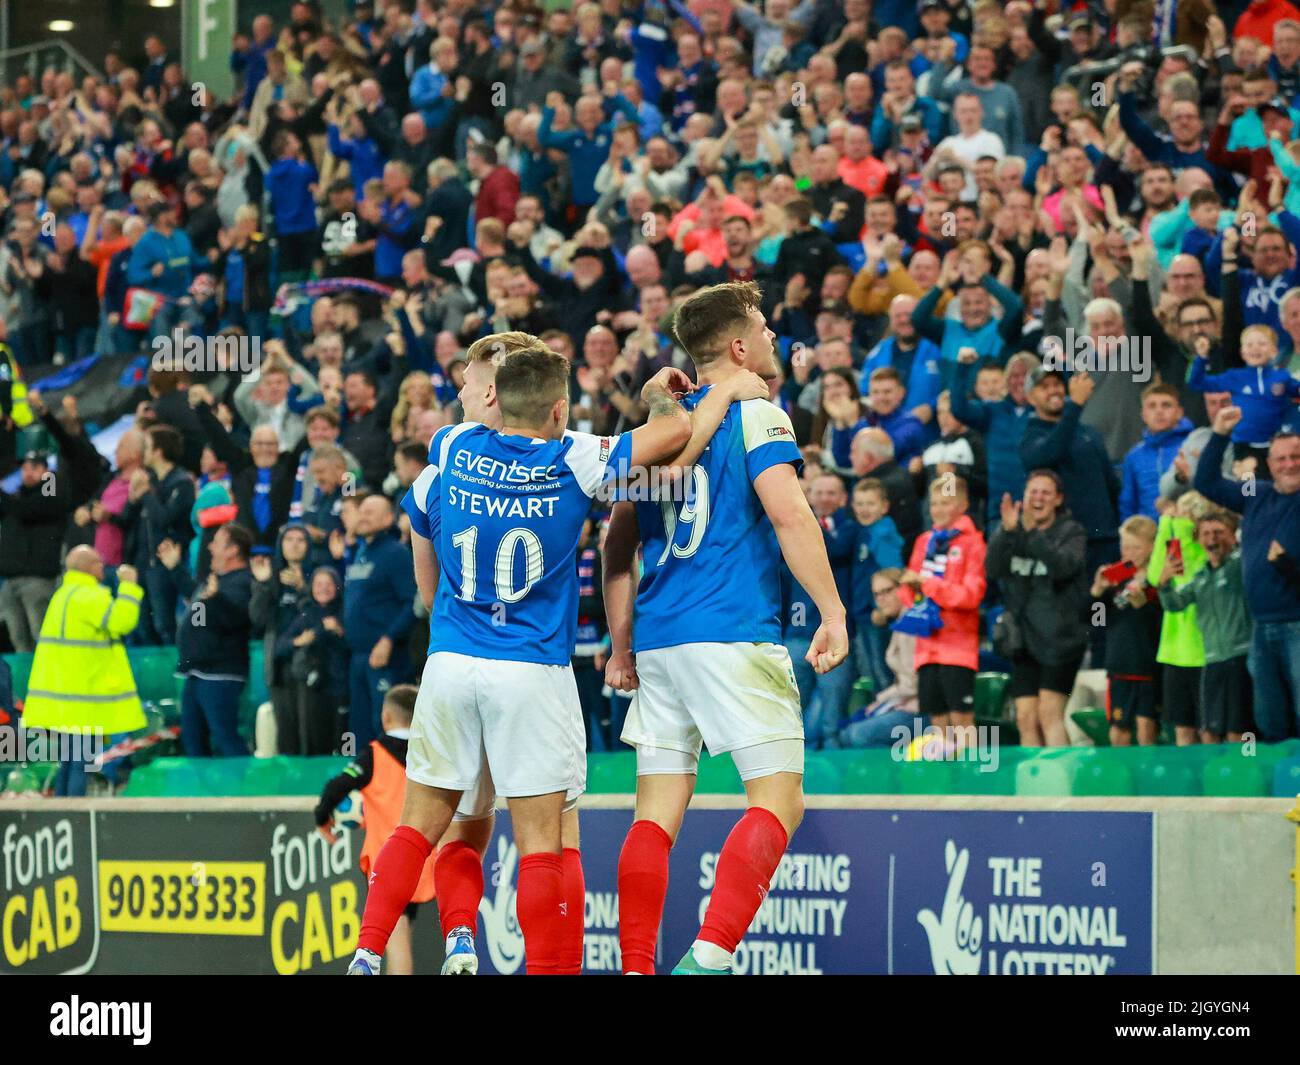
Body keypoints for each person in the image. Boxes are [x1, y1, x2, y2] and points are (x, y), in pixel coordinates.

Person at [349, 342, 700, 977]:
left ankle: (369, 952)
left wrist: (444, 610)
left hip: (452, 662)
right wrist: (655, 396)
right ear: (561, 408)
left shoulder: (452, 449)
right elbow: (672, 435)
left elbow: (424, 539)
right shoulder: (577, 457)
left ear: (494, 400)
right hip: (531, 669)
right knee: (544, 844)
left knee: (417, 827)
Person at [603, 280, 849, 975]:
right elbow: (790, 513)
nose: (774, 338)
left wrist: (622, 644)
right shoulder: (758, 414)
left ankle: (635, 965)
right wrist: (832, 610)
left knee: (654, 811)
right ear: (739, 347)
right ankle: (707, 960)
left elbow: (616, 543)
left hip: (660, 638)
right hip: (733, 630)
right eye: (766, 328)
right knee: (778, 796)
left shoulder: (658, 426)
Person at [1195, 406, 1300, 740]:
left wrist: (1288, 566)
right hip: (1260, 627)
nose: (1289, 464)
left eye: (1296, 456)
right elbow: (1206, 482)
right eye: (1281, 459)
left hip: (1298, 624)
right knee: (1268, 717)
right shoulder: (1257, 495)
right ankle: (1281, 790)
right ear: (1269, 465)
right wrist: (1220, 433)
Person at [317, 685, 430, 974]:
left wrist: (322, 817)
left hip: (389, 859)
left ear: (386, 717)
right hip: (424, 859)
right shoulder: (429, 755)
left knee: (397, 941)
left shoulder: (374, 755)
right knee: (402, 932)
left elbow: (337, 786)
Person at [20, 547, 145, 796]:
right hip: (85, 697)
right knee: (80, 763)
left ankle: (61, 814)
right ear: (88, 566)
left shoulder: (62, 595)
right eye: (99, 562)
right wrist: (129, 588)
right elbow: (123, 622)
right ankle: (75, 818)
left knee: (68, 761)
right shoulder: (90, 596)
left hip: (64, 699)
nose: (103, 566)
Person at [987, 471, 1089, 747]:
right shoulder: (1013, 530)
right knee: (1025, 718)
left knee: (1049, 713)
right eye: (1033, 492)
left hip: (1061, 641)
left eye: (1045, 493)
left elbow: (1062, 567)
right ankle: (1035, 786)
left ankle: (1061, 783)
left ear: (1058, 499)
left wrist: (1032, 533)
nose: (1038, 498)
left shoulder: (1072, 532)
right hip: (1024, 641)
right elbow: (992, 569)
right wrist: (1005, 533)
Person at [1157, 509, 1255, 743]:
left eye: (1219, 532)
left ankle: (1240, 776)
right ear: (1199, 539)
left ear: (1233, 536)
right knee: (1209, 730)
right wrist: (1164, 584)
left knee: (1236, 729)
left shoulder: (1240, 565)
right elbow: (1175, 605)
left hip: (1239, 656)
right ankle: (1215, 776)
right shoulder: (1201, 576)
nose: (1213, 538)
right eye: (1206, 533)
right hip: (1211, 659)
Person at [900, 476, 986, 743]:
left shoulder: (973, 543)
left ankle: (971, 779)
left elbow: (971, 595)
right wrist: (912, 590)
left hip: (957, 647)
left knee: (961, 721)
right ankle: (948, 784)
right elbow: (907, 590)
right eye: (934, 503)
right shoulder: (925, 541)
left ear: (963, 505)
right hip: (926, 648)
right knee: (937, 721)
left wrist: (929, 585)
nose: (937, 509)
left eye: (946, 503)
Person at [164, 523, 255, 757]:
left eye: (216, 543)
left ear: (233, 550)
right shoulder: (216, 581)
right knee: (192, 740)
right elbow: (199, 604)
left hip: (220, 674)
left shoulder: (243, 581)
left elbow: (235, 618)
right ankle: (203, 794)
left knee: (225, 736)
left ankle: (246, 792)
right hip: (198, 672)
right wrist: (175, 569)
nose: (210, 547)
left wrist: (215, 599)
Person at [342, 493, 417, 748]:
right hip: (359, 656)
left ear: (388, 518)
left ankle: (395, 784)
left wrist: (388, 639)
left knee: (385, 726)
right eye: (361, 511)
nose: (362, 517)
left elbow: (412, 604)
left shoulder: (396, 554)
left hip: (386, 656)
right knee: (360, 726)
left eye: (370, 512)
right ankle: (368, 785)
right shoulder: (362, 552)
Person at [1092, 516, 1164, 747]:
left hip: (1148, 666)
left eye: (1136, 547)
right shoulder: (1116, 576)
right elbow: (1097, 622)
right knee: (1118, 732)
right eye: (1125, 546)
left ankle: (1147, 780)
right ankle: (1119, 781)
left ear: (1151, 547)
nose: (1129, 552)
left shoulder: (1159, 577)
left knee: (1146, 729)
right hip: (1119, 666)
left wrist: (1143, 604)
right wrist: (1098, 592)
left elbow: (1160, 623)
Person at [838, 568, 921, 747]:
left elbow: (913, 683)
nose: (881, 599)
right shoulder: (902, 622)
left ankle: (895, 774)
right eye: (876, 594)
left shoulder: (911, 624)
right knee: (849, 729)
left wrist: (882, 701)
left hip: (920, 710)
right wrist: (881, 703)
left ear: (903, 588)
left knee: (856, 734)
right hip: (906, 701)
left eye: (887, 591)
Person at [0, 450, 68, 651]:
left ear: (46, 470)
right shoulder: (16, 497)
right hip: (10, 580)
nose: (28, 472)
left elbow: (33, 508)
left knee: (43, 638)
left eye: (35, 467)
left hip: (37, 580)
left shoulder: (51, 486)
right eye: (25, 467)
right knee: (18, 639)